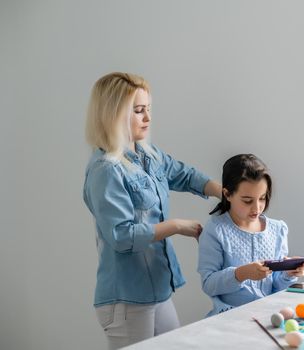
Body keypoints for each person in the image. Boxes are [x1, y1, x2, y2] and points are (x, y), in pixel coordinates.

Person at [83, 72, 222, 349]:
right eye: (138, 111)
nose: (147, 117)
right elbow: (122, 236)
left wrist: (221, 190)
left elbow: (181, 174)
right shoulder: (106, 170)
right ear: (114, 114)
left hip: (156, 291)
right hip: (126, 300)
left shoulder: (148, 154)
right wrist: (176, 226)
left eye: (148, 109)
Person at [197, 154, 304, 316]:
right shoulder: (216, 230)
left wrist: (288, 274)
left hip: (268, 317)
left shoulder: (277, 230)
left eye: (262, 198)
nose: (257, 208)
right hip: (228, 319)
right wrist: (240, 274)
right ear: (227, 194)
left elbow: (277, 287)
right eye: (247, 201)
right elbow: (208, 284)